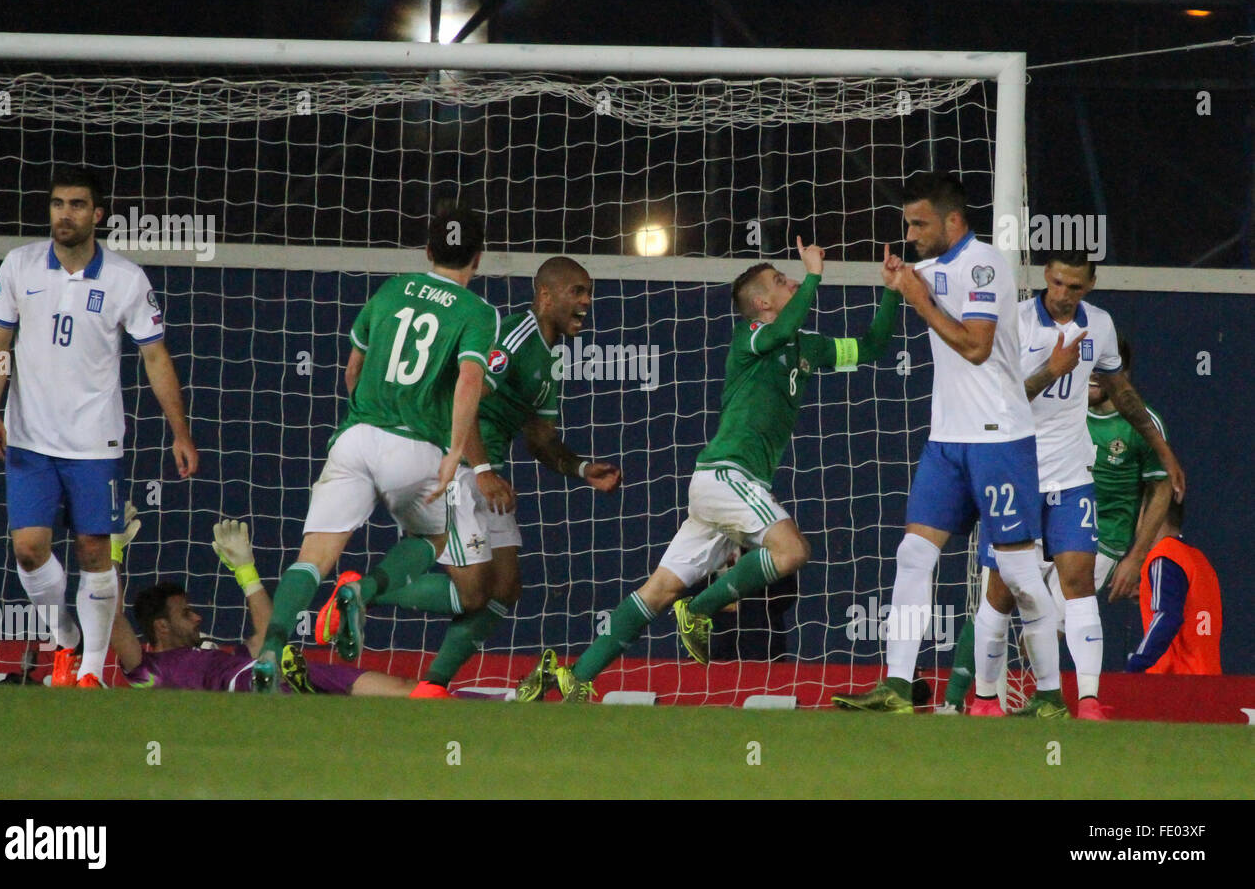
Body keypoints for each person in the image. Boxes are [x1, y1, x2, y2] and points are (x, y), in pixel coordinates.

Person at [517, 235, 902, 702]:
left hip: (721, 488)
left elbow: (873, 347)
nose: (794, 282)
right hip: (727, 475)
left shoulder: (808, 346)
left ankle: (576, 676)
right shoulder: (754, 337)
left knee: (657, 591)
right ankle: (698, 610)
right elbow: (781, 332)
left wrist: (891, 290)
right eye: (783, 281)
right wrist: (817, 274)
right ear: (762, 303)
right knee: (792, 551)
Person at [321, 256, 622, 697]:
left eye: (589, 293)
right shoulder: (514, 339)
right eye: (577, 292)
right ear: (545, 295)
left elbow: (541, 439)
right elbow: (465, 403)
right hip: (458, 467)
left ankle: (432, 684)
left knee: (505, 587)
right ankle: (362, 593)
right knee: (474, 593)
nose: (586, 302)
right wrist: (480, 471)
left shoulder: (548, 356)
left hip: (483, 472)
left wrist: (580, 468)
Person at [832, 172, 1066, 718]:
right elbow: (913, 298)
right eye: (907, 223)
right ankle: (895, 684)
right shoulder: (929, 269)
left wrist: (917, 297)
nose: (910, 233)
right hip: (947, 441)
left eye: (919, 223)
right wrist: (902, 285)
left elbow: (977, 347)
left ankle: (1052, 695)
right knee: (913, 553)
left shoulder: (985, 264)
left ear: (953, 221)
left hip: (999, 439)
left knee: (1019, 574)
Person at [253, 199, 501, 691]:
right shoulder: (478, 311)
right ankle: (362, 593)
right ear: (479, 258)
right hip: (416, 449)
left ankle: (268, 652)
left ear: (427, 250)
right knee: (432, 542)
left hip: (356, 438)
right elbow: (469, 379)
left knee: (312, 557)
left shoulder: (389, 292)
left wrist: (368, 418)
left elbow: (352, 371)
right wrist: (456, 451)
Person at [0, 165, 198, 689]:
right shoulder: (19, 266)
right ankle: (67, 639)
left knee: (93, 551)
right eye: (58, 204)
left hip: (94, 442)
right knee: (29, 549)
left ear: (96, 215)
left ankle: (93, 672)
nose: (65, 214)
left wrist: (180, 431)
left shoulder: (125, 279)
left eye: (77, 205)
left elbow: (155, 357)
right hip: (29, 438)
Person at [973, 252, 1184, 718]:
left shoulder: (1101, 326)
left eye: (1074, 287)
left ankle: (1087, 699)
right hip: (1016, 475)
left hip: (1071, 478)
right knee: (1002, 593)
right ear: (1046, 278)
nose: (1063, 294)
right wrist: (1053, 368)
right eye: (1057, 283)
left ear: (1089, 286)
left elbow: (1123, 393)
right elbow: (996, 400)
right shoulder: (1017, 323)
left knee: (1079, 586)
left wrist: (1163, 450)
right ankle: (984, 700)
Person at [108, 511, 410, 695]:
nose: (198, 618)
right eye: (186, 613)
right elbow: (112, 618)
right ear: (161, 626)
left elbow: (270, 635)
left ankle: (448, 697)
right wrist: (113, 554)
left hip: (275, 669)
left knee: (400, 688)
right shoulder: (148, 670)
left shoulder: (220, 654)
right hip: (248, 687)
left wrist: (246, 570)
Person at [1088, 339, 1173, 602]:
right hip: (1054, 525)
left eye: (1102, 368)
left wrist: (1136, 558)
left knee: (1058, 619)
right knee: (1006, 609)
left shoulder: (1141, 423)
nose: (1093, 374)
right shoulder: (1063, 410)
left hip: (1104, 537)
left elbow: (1162, 489)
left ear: (1122, 375)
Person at [1126, 498, 1221, 674]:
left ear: (1154, 515)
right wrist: (1149, 593)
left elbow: (1168, 617)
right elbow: (1190, 609)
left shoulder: (1164, 554)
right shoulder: (1198, 559)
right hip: (1209, 679)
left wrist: (1135, 665)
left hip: (1174, 683)